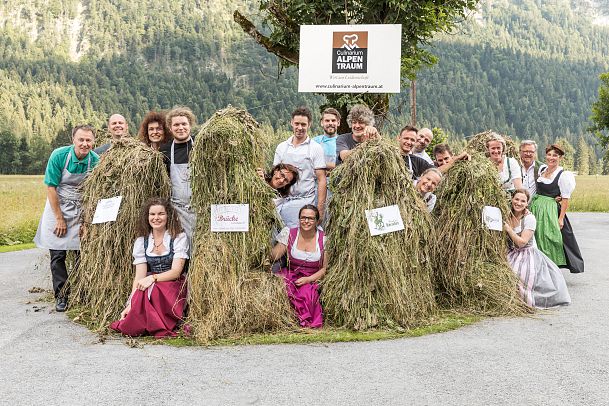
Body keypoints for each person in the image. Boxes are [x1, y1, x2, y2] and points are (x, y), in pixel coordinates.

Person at [34, 125, 100, 312]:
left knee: (81, 254)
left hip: (80, 209)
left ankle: (81, 292)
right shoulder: (59, 155)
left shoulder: (95, 161)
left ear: (93, 142)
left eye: (88, 140)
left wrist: (86, 222)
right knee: (58, 255)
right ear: (73, 140)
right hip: (58, 206)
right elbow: (51, 187)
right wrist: (59, 219)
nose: (85, 144)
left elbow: (93, 195)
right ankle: (61, 295)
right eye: (81, 140)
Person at [110, 198, 189, 338]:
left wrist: (152, 278)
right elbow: (139, 277)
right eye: (152, 214)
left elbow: (176, 272)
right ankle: (144, 322)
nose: (156, 218)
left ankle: (159, 324)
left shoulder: (178, 237)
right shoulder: (142, 242)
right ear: (147, 217)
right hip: (151, 283)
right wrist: (130, 305)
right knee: (144, 286)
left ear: (168, 216)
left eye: (161, 214)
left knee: (155, 288)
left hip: (173, 284)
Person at [504, 189, 571, 308]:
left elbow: (522, 243)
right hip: (511, 252)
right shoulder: (507, 214)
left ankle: (522, 300)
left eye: (523, 201)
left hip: (525, 253)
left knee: (517, 273)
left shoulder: (529, 219)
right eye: (517, 199)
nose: (519, 203)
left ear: (527, 203)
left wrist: (509, 229)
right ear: (512, 199)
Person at [530, 144, 584, 274]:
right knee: (536, 236)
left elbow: (565, 199)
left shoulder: (563, 174)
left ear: (560, 157)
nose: (551, 157)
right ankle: (537, 267)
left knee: (550, 238)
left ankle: (551, 269)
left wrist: (560, 219)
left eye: (555, 155)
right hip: (536, 207)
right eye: (549, 154)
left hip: (550, 210)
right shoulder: (542, 169)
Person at [271, 205, 327, 328]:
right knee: (283, 286)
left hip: (312, 277)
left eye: (311, 218)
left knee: (307, 293)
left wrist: (309, 279)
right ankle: (286, 321)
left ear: (317, 221)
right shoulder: (290, 233)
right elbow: (274, 256)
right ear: (299, 219)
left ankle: (304, 322)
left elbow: (324, 268)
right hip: (292, 274)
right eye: (303, 217)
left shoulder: (324, 239)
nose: (306, 221)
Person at [273, 107, 326, 228]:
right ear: (291, 123)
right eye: (297, 124)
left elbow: (321, 180)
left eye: (303, 124)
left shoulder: (315, 148)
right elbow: (274, 176)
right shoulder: (282, 147)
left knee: (299, 241)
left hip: (305, 203)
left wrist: (320, 210)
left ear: (309, 125)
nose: (300, 128)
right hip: (282, 201)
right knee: (279, 239)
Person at [160, 106, 197, 245]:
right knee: (181, 246)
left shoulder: (200, 144)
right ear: (170, 128)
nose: (180, 127)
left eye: (184, 124)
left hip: (200, 207)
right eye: (176, 124)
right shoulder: (164, 150)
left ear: (190, 125)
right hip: (177, 210)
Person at [313, 108, 341, 173]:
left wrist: (321, 165)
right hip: (317, 182)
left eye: (333, 120)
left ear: (338, 122)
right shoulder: (314, 142)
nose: (330, 123)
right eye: (327, 121)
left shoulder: (343, 142)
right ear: (322, 123)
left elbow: (345, 166)